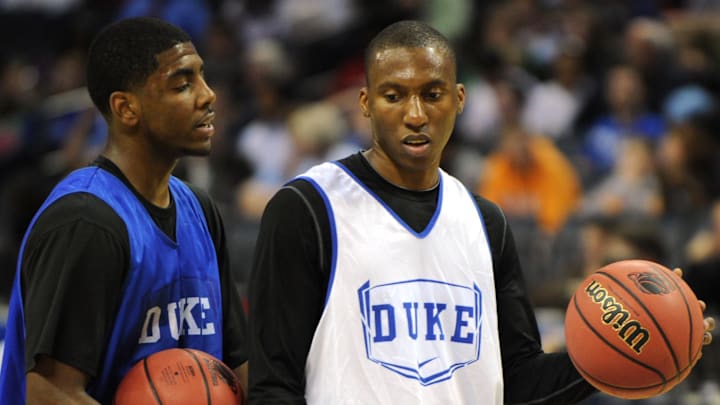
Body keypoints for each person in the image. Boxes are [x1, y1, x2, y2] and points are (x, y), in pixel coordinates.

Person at [247, 20, 715, 404]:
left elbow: (520, 382)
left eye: (432, 94)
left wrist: (631, 343)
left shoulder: (486, 223)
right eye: (394, 96)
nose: (415, 114)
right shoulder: (307, 208)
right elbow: (274, 386)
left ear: (459, 100)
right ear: (366, 104)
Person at [0, 17, 248, 404]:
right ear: (126, 108)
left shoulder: (200, 209)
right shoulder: (86, 221)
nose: (208, 95)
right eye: (182, 85)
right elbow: (49, 392)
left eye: (203, 78)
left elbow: (238, 363)